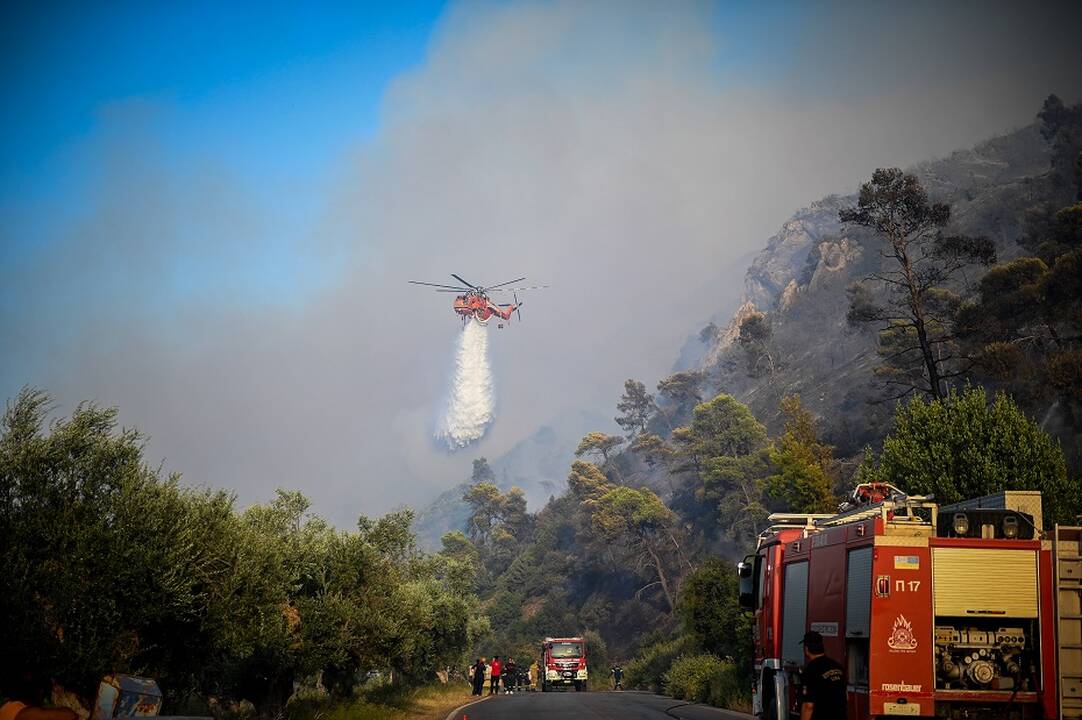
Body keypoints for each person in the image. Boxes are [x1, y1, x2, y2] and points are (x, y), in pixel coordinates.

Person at [799, 631, 847, 720]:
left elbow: (808, 706)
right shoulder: (837, 667)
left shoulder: (810, 670)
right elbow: (846, 697)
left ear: (806, 649)